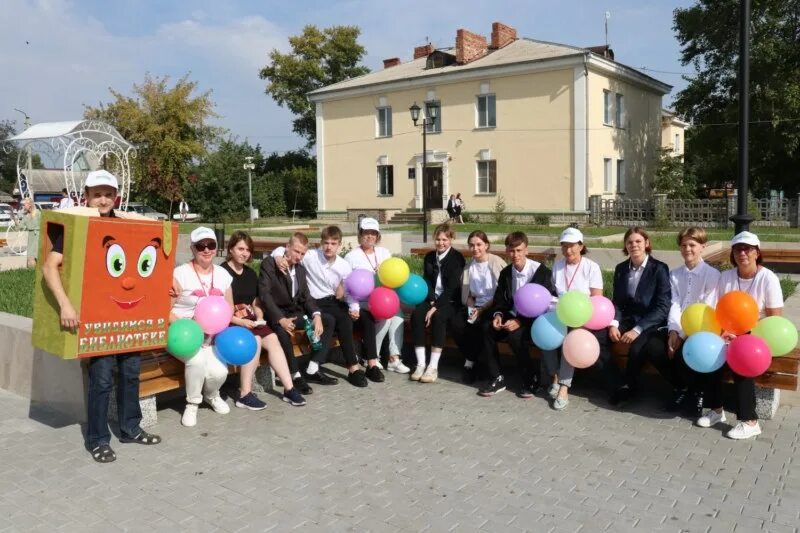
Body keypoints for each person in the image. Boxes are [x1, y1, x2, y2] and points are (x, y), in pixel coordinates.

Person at [42, 170, 161, 463]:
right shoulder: (78, 226)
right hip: (97, 321)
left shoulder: (126, 225)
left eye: (108, 193)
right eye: (97, 194)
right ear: (87, 197)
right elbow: (49, 267)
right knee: (102, 380)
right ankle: (97, 439)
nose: (103, 199)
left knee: (131, 374)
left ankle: (130, 428)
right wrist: (65, 306)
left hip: (128, 318)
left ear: (116, 197)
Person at [271, 227, 383, 387]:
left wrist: (354, 307)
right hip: (313, 302)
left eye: (333, 243)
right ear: (321, 243)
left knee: (364, 317)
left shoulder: (343, 265)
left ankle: (372, 364)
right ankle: (353, 368)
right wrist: (277, 257)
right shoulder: (311, 256)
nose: (329, 247)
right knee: (343, 319)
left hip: (332, 301)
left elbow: (350, 290)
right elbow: (284, 249)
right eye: (326, 243)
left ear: (339, 245)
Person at [697, 231, 783, 440]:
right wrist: (723, 332)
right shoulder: (726, 277)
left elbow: (774, 319)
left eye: (748, 249)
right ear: (733, 254)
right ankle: (716, 410)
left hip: (758, 336)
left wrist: (747, 334)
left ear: (757, 253)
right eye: (738, 249)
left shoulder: (767, 278)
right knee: (709, 353)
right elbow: (718, 309)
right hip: (729, 333)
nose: (742, 253)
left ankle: (750, 421)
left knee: (741, 358)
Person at [220, 231, 306, 408]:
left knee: (273, 339)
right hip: (231, 321)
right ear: (231, 249)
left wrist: (259, 315)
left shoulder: (250, 273)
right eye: (240, 249)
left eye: (248, 250)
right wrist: (242, 321)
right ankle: (244, 393)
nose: (244, 253)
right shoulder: (222, 272)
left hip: (251, 318)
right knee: (255, 340)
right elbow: (224, 309)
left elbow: (256, 300)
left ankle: (289, 389)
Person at [170, 227, 235, 427]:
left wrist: (215, 329)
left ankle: (212, 395)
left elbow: (229, 307)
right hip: (183, 335)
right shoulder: (179, 274)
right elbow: (165, 311)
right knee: (196, 361)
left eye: (211, 245)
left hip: (212, 337)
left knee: (220, 372)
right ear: (192, 249)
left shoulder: (223, 274)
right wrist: (188, 328)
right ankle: (192, 403)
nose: (206, 250)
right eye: (200, 246)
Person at [480, 231, 555, 397]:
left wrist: (520, 321)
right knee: (487, 328)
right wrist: (498, 315)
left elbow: (544, 304)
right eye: (512, 251)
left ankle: (531, 379)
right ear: (507, 251)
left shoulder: (541, 272)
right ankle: (496, 377)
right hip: (512, 315)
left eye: (519, 250)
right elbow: (500, 299)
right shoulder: (506, 272)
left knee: (515, 336)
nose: (515, 255)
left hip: (535, 319)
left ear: (527, 250)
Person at [605, 226, 671, 407]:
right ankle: (617, 383)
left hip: (650, 322)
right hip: (627, 319)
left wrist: (637, 329)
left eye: (638, 241)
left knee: (637, 349)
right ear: (625, 246)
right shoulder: (621, 269)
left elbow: (663, 306)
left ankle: (629, 388)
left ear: (647, 243)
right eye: (629, 242)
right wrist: (613, 324)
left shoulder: (659, 269)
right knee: (602, 339)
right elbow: (617, 302)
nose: (634, 245)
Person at [660, 227, 720, 415]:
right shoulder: (675, 274)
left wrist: (683, 335)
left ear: (703, 247)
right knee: (653, 347)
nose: (688, 249)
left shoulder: (712, 275)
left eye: (692, 245)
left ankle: (698, 392)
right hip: (678, 327)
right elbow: (675, 303)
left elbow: (706, 308)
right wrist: (673, 331)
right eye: (684, 245)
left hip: (703, 329)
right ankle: (682, 387)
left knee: (687, 353)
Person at [545, 227, 604, 410]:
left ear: (581, 246)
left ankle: (564, 386)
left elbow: (597, 297)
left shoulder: (591, 267)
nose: (567, 250)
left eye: (571, 246)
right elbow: (554, 292)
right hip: (560, 312)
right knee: (546, 335)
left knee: (570, 340)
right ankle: (554, 376)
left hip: (581, 316)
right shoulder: (558, 265)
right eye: (564, 246)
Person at [257, 232, 322, 395]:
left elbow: (306, 296)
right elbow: (265, 295)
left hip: (294, 312)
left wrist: (317, 315)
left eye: (302, 253)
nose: (299, 256)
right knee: (282, 332)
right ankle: (295, 374)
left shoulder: (300, 269)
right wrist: (280, 319)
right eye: (296, 251)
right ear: (287, 247)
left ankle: (313, 367)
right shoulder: (270, 264)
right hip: (275, 314)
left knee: (327, 320)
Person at [344, 217, 410, 373]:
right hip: (362, 302)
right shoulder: (352, 256)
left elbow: (392, 278)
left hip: (382, 298)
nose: (370, 236)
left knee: (398, 314)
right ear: (360, 234)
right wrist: (353, 307)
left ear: (378, 235)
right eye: (366, 232)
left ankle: (394, 358)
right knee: (386, 316)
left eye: (373, 233)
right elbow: (347, 285)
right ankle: (372, 357)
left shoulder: (384, 252)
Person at [410, 224, 466, 383]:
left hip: (451, 300)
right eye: (438, 239)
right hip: (432, 298)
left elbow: (452, 288)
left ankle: (433, 366)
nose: (441, 243)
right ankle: (421, 363)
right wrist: (431, 300)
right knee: (418, 314)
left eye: (445, 239)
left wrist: (435, 307)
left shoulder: (457, 258)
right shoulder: (429, 257)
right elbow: (426, 281)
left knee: (439, 317)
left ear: (451, 239)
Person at [450, 230, 505, 384]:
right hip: (476, 305)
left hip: (493, 306)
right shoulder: (469, 267)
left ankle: (471, 364)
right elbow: (468, 294)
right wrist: (471, 308)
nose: (475, 248)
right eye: (472, 245)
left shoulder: (496, 262)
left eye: (479, 244)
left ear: (486, 245)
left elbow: (501, 293)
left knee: (480, 326)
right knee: (457, 324)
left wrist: (480, 311)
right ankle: (472, 358)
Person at [18, 197, 40, 268]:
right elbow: (19, 227)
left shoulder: (38, 213)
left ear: (29, 204)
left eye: (24, 205)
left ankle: (34, 272)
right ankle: (32, 272)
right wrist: (15, 219)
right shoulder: (25, 215)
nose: (23, 207)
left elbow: (44, 224)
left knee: (35, 256)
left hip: (38, 235)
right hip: (31, 236)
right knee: (30, 256)